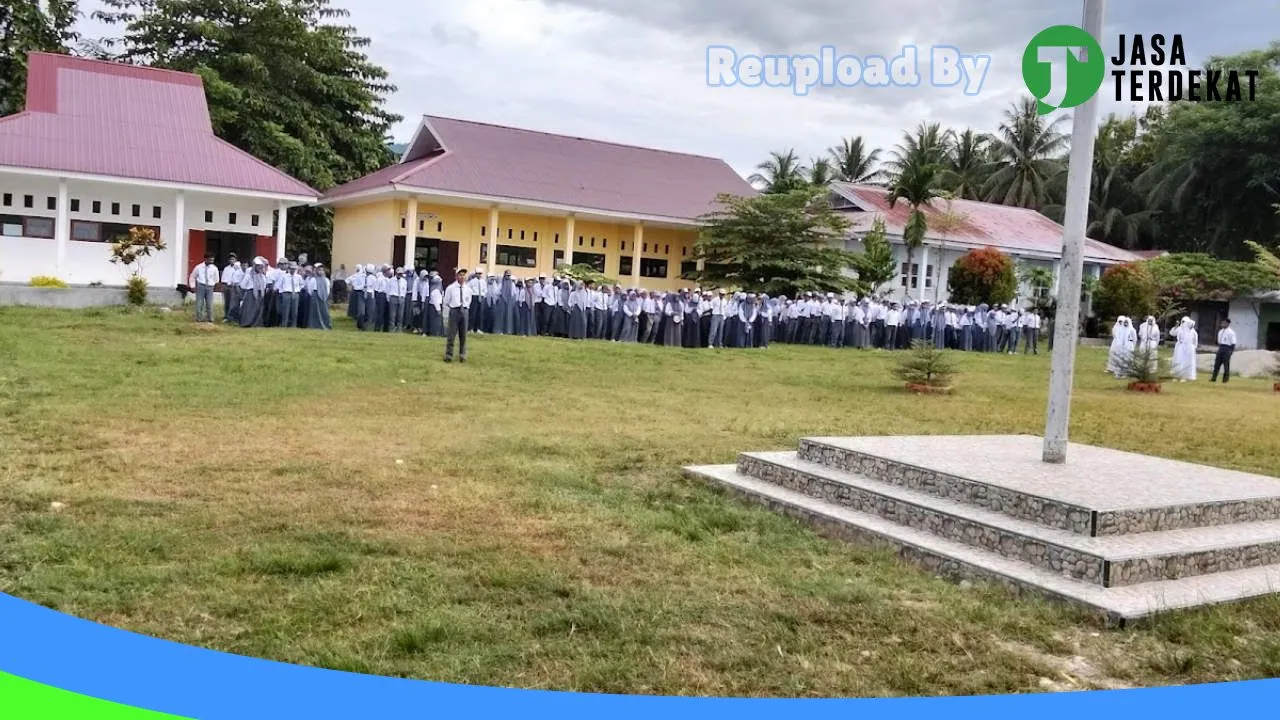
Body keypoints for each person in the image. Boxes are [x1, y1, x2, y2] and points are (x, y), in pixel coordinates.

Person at [443, 268, 472, 363]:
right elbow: (446, 301)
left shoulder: (467, 288)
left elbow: (469, 300)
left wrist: (464, 307)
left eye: (464, 275)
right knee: (451, 334)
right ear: (456, 276)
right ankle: (448, 355)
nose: (462, 277)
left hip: (464, 310)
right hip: (454, 310)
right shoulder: (451, 288)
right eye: (460, 275)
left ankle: (462, 355)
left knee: (463, 335)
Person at [189, 253, 218, 323]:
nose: (212, 261)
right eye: (210, 259)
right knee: (199, 304)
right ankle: (199, 319)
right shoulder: (198, 267)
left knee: (209, 304)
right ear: (206, 259)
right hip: (201, 286)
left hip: (210, 287)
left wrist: (214, 286)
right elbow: (192, 276)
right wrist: (192, 286)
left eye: (212, 259)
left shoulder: (214, 268)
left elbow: (216, 279)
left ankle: (210, 319)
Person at [1170, 316, 1198, 381]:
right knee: (1178, 360)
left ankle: (1184, 376)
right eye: (1182, 321)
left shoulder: (1193, 332)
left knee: (1185, 362)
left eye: (1184, 322)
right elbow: (1172, 333)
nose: (1183, 323)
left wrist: (1192, 348)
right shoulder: (1180, 329)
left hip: (1187, 348)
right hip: (1179, 347)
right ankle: (1176, 375)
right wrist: (1176, 326)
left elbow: (1195, 342)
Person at [1211, 318, 1237, 383]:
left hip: (1227, 348)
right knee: (1217, 364)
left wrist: (1231, 351)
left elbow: (1233, 343)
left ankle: (1225, 380)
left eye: (1224, 323)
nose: (1223, 324)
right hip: (1221, 347)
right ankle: (1213, 378)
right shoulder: (1220, 331)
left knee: (1226, 365)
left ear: (1227, 324)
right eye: (1222, 323)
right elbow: (1219, 341)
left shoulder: (1231, 332)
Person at [308, 264, 333, 330]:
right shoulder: (313, 279)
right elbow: (310, 289)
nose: (321, 272)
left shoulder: (326, 280)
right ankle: (315, 325)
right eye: (319, 270)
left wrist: (325, 296)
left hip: (324, 296)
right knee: (315, 311)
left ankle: (325, 325)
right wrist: (314, 295)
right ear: (316, 271)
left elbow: (327, 289)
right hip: (315, 295)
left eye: (322, 270)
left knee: (324, 311)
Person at [220, 254, 242, 323]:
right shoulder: (226, 268)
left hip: (234, 287)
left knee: (233, 303)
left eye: (233, 259)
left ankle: (232, 316)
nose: (231, 260)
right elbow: (223, 278)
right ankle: (226, 316)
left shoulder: (238, 268)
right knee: (226, 302)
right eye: (230, 259)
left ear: (235, 260)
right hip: (227, 287)